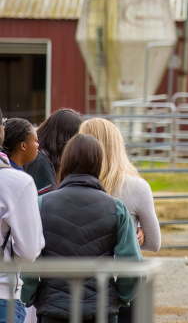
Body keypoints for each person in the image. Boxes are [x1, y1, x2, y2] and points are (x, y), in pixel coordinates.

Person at [21, 134, 142, 323]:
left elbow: (30, 258)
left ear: (66, 161)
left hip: (53, 310)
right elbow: (132, 266)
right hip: (102, 311)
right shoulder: (116, 208)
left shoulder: (41, 204)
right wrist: (119, 299)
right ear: (99, 163)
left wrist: (29, 296)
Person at [78, 118, 160, 323]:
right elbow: (154, 243)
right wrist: (134, 234)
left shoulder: (68, 186)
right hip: (122, 285)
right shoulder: (136, 187)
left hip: (77, 284)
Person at [0, 108, 45, 323]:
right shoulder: (17, 181)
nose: (39, 145)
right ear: (23, 145)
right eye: (35, 140)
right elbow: (29, 250)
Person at [23, 109, 83, 195]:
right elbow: (48, 203)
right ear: (64, 138)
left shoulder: (44, 158)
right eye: (76, 139)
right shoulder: (40, 162)